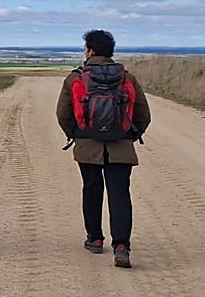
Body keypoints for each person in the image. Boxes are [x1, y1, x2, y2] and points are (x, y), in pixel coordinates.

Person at [56, 29, 151, 268]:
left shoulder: (75, 78)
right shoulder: (127, 78)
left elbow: (63, 114)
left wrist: (77, 134)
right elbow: (143, 115)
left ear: (90, 50)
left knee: (91, 190)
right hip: (121, 147)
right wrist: (129, 134)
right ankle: (121, 246)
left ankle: (95, 239)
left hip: (87, 146)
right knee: (120, 194)